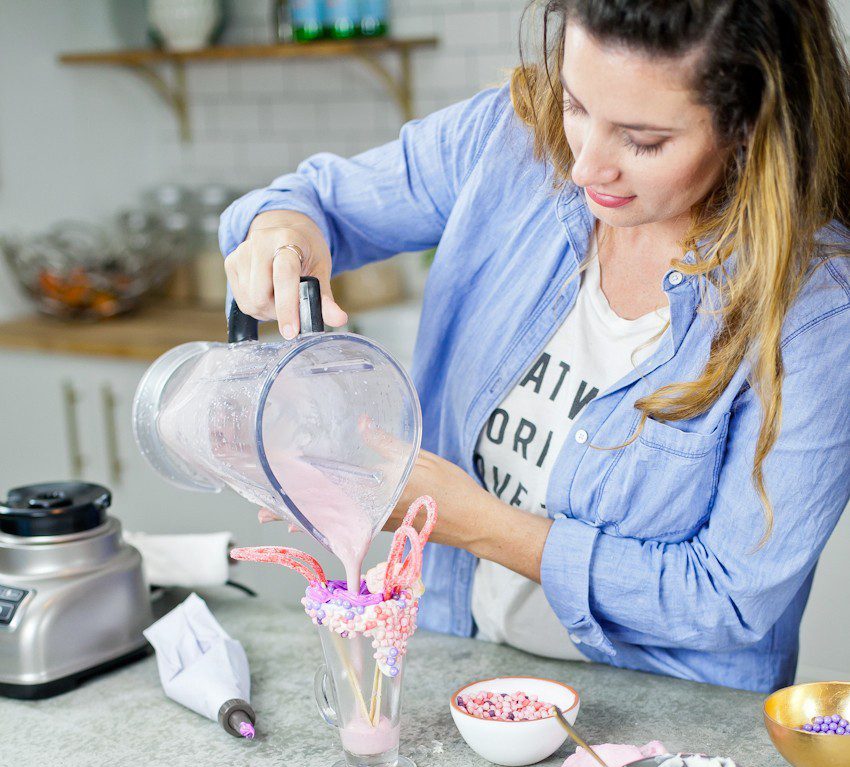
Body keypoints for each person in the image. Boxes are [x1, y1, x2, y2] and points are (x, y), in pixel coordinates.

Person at [220, 0, 850, 693]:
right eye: (578, 105)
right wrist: (283, 231)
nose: (584, 167)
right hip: (460, 672)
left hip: (664, 733)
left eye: (642, 141)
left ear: (752, 124)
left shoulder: (817, 310)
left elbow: (727, 600)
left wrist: (479, 525)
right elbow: (317, 199)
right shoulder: (508, 141)